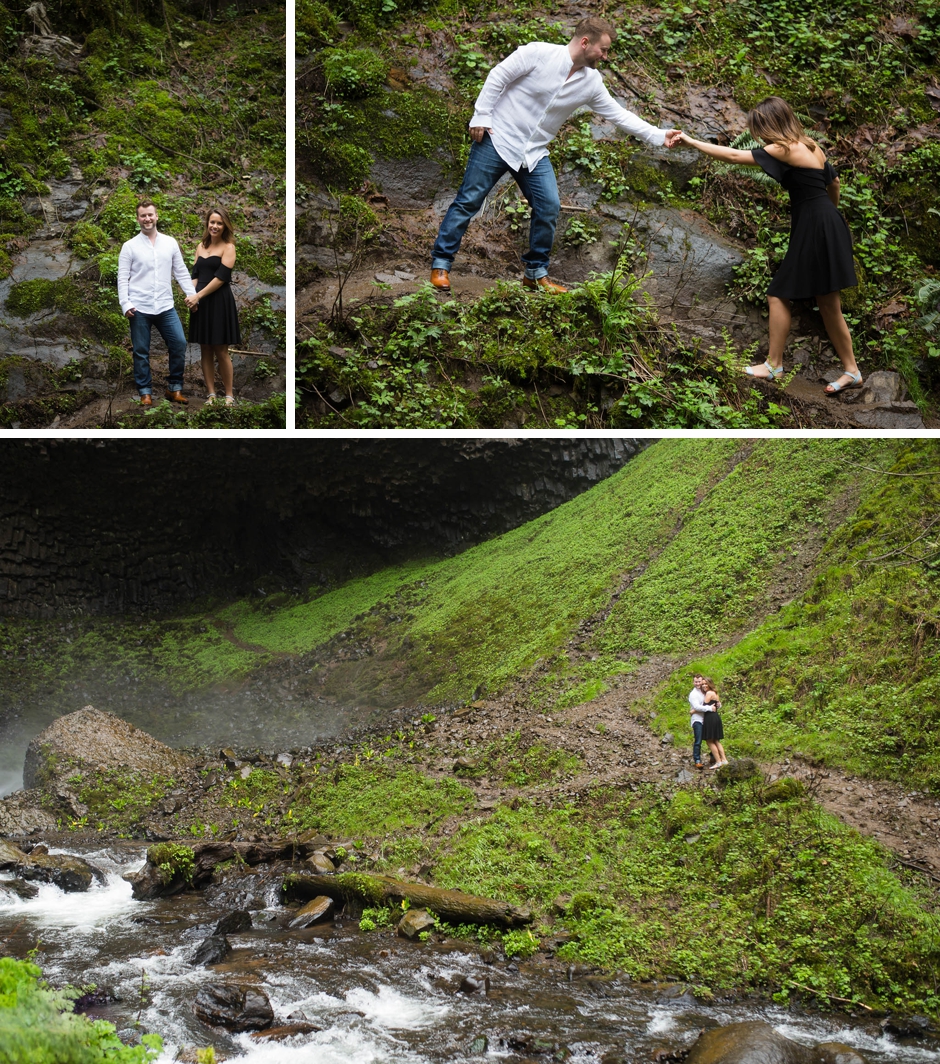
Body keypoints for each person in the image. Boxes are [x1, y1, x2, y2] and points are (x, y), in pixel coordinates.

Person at [430, 17, 679, 294]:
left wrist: (659, 135)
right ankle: (441, 264)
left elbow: (618, 114)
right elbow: (498, 76)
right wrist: (481, 114)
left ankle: (535, 273)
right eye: (604, 50)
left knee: (549, 206)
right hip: (497, 138)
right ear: (585, 42)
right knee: (468, 201)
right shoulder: (537, 53)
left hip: (534, 153)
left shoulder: (591, 82)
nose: (606, 57)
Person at [666, 97, 861, 394]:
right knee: (828, 303)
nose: (758, 136)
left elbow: (732, 157)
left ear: (769, 125)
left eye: (758, 129)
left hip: (814, 226)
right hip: (828, 223)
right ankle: (852, 371)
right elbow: (833, 183)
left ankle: (773, 365)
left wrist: (692, 142)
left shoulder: (781, 148)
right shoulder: (810, 144)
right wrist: (829, 217)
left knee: (778, 293)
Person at [117, 200, 198, 407]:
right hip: (139, 307)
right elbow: (122, 277)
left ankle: (174, 388)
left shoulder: (170, 243)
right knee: (141, 351)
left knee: (179, 343)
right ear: (138, 219)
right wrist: (125, 304)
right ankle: (145, 392)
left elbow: (180, 271)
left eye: (150, 215)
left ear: (156, 216)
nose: (147, 219)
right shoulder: (129, 247)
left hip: (165, 306)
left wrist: (192, 295)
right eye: (143, 216)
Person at [186, 207, 242, 406]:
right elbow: (195, 276)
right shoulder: (201, 246)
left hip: (219, 302)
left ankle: (228, 395)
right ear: (207, 223)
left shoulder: (229, 247)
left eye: (219, 223)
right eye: (212, 222)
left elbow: (221, 278)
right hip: (200, 303)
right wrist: (190, 297)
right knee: (205, 348)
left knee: (221, 349)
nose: (215, 226)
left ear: (224, 225)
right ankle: (211, 394)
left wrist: (198, 295)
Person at [701, 676, 728, 769]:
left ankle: (718, 761)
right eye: (703, 684)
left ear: (710, 684)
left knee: (709, 741)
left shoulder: (708, 693)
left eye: (706, 684)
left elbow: (703, 706)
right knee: (716, 740)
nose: (704, 685)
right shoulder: (715, 693)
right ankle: (724, 759)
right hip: (716, 716)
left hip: (710, 718)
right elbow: (718, 704)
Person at [689, 674, 708, 769]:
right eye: (696, 682)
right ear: (693, 682)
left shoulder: (705, 691)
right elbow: (696, 706)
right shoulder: (693, 694)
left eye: (699, 681)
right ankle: (697, 760)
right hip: (697, 719)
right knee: (698, 740)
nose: (698, 684)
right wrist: (709, 708)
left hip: (707, 718)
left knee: (711, 738)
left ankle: (713, 756)